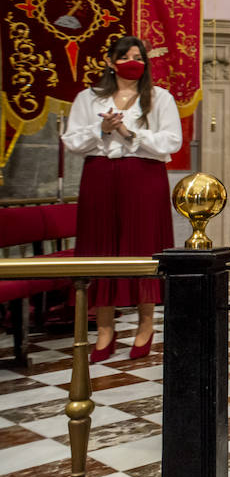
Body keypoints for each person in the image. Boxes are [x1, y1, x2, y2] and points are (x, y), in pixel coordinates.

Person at [62, 35, 183, 363]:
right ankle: (104, 331)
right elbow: (72, 140)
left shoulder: (160, 98)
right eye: (126, 55)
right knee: (101, 248)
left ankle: (146, 325)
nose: (134, 61)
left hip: (143, 177)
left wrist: (131, 134)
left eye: (139, 56)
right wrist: (102, 131)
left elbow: (172, 141)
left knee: (141, 248)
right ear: (109, 61)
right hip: (100, 175)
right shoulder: (89, 98)